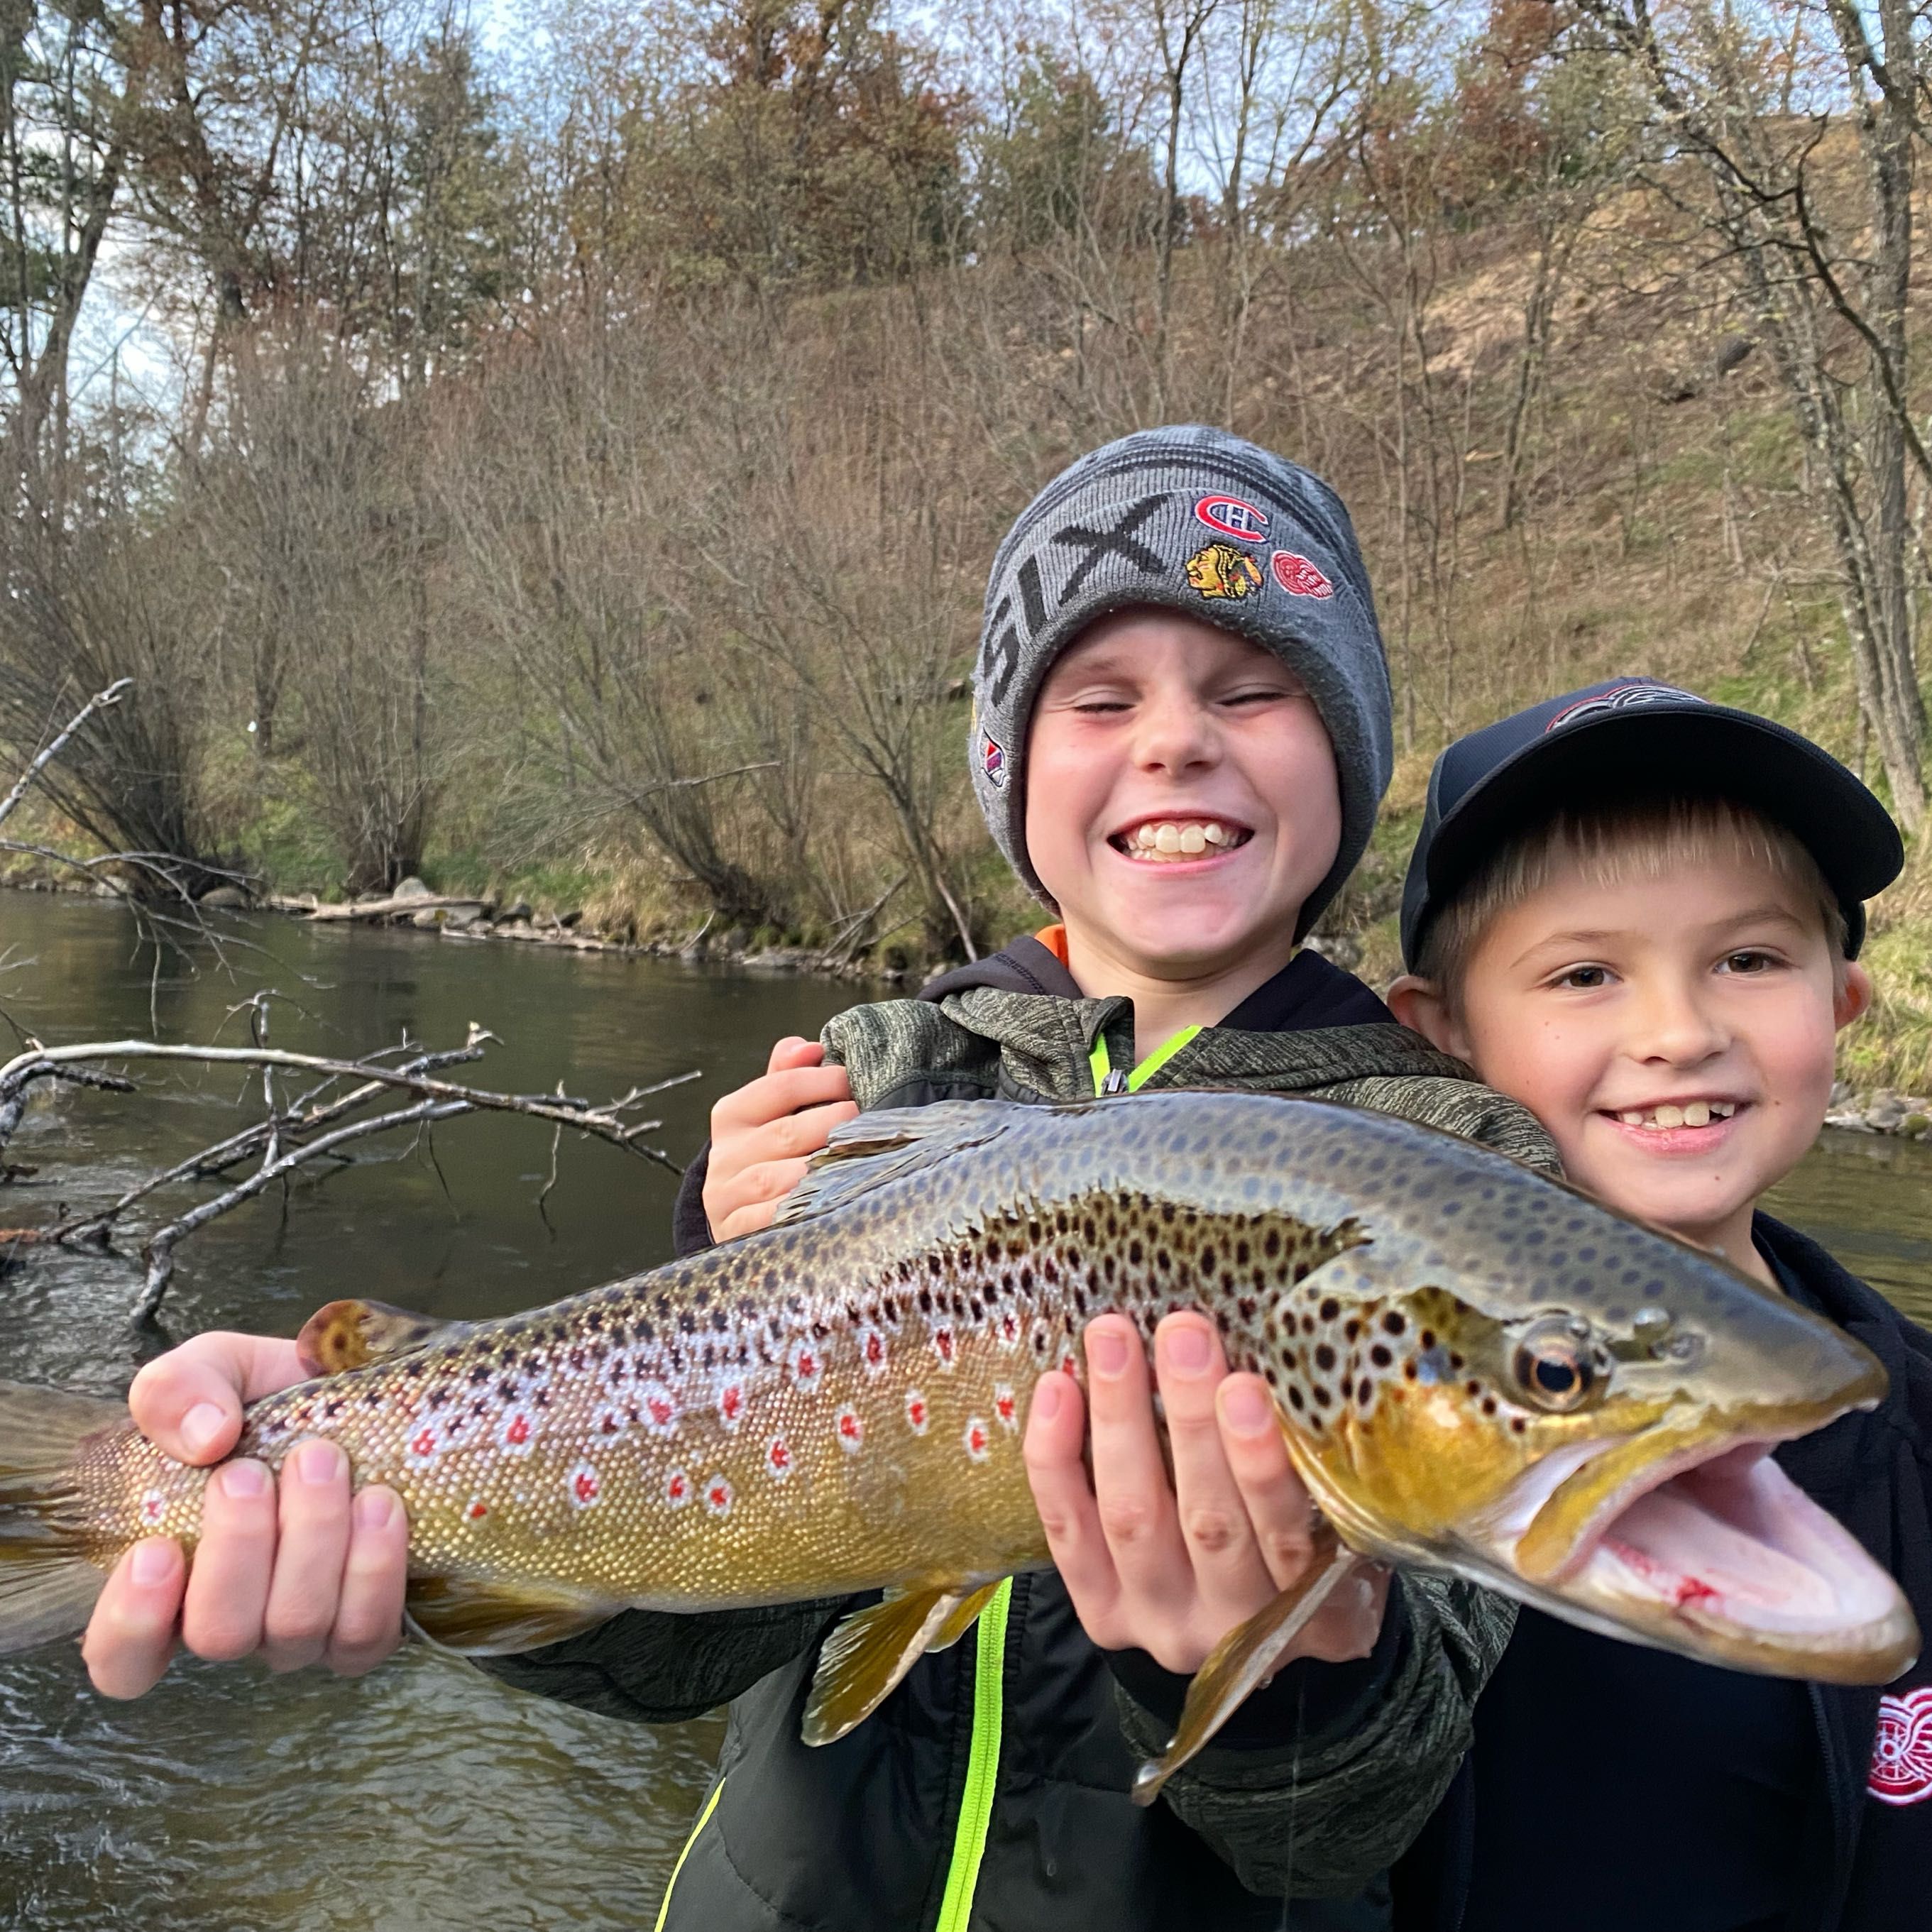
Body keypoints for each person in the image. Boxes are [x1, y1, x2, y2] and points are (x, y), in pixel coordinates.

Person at [82, 428, 1558, 1929]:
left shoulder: (1458, 1177)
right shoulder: (868, 1081)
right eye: (1099, 699)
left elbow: (1369, 1813)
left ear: (1351, 753)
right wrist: (417, 1516)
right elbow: (670, 1660)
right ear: (1009, 769)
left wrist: (1271, 1669)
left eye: (1253, 690)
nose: (1176, 741)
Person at [1383, 679, 1932, 1932]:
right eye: (1584, 973)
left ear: (1840, 1004)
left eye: (1747, 959)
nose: (1678, 1032)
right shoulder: (1344, 1411)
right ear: (1440, 1038)